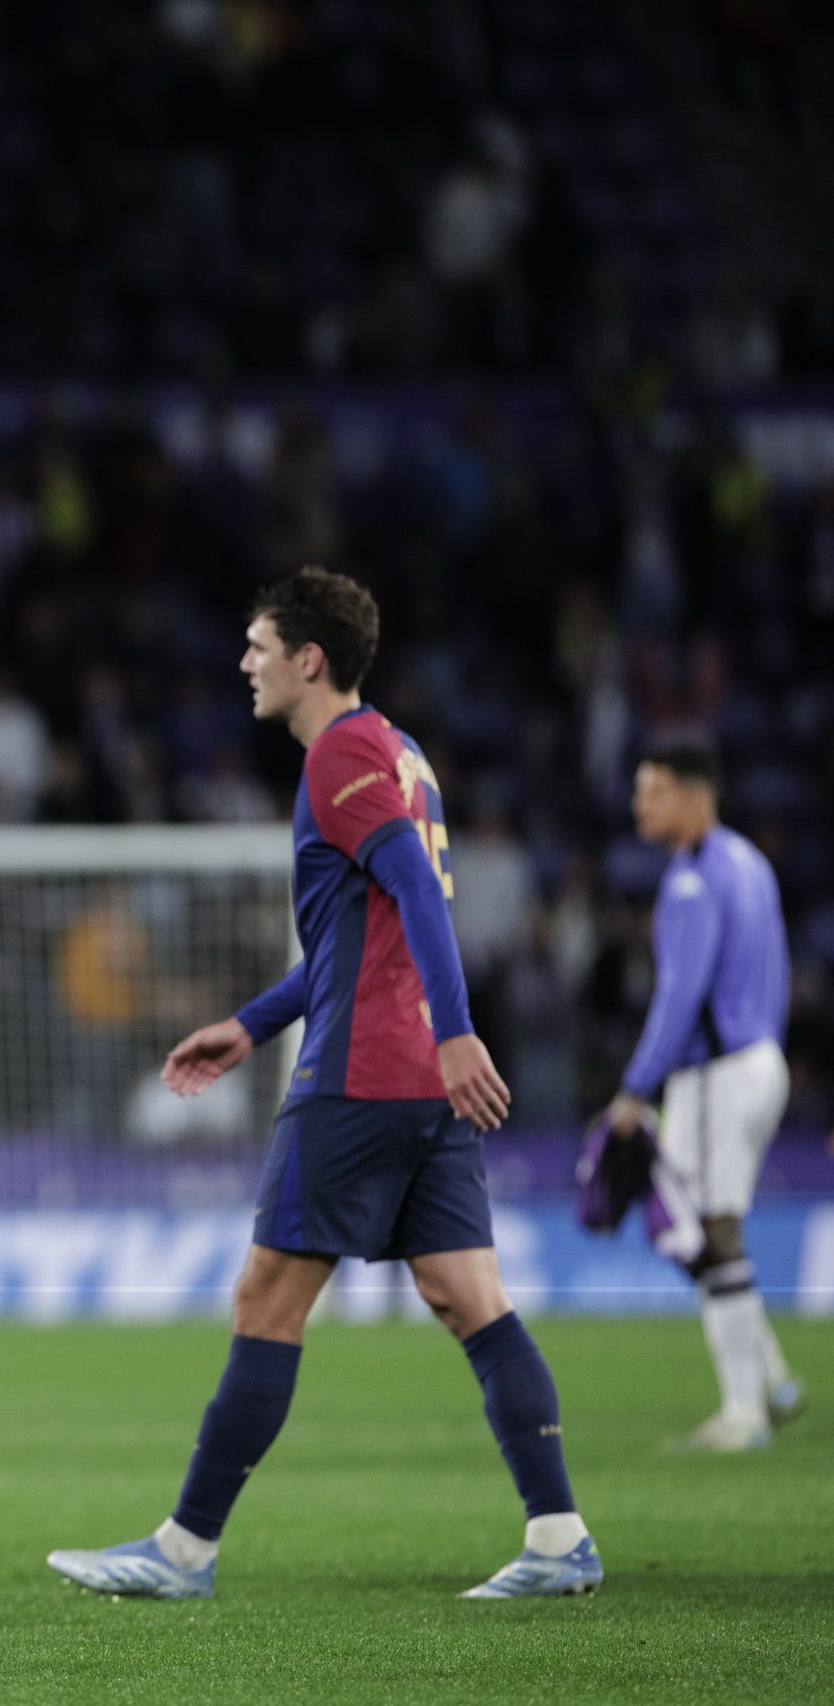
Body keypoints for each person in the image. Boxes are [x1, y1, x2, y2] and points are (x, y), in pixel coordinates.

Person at [47, 567, 601, 1601]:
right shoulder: (398, 749)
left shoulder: (341, 752)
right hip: (412, 1079)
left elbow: (412, 901)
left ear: (309, 659)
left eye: (257, 646)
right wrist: (251, 1023)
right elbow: (362, 934)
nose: (243, 662)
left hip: (361, 1074)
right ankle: (559, 1533)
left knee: (266, 1297)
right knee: (467, 1296)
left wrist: (458, 1031)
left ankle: (181, 1550)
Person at [601, 743, 802, 1450]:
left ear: (693, 797)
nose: (639, 805)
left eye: (651, 791)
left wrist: (634, 1088)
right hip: (753, 1059)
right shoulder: (749, 862)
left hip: (716, 1071)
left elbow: (679, 996)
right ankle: (769, 1372)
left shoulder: (691, 881)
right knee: (679, 1224)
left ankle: (745, 1414)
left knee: (711, 1231)